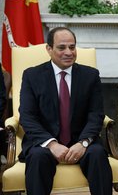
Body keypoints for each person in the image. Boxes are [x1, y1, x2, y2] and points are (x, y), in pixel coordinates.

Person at [18, 27, 112, 195]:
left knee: (97, 154)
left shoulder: (90, 75)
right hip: (45, 143)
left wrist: (83, 143)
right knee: (38, 157)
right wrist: (52, 144)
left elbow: (96, 114)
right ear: (49, 49)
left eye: (72, 47)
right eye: (62, 47)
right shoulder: (32, 76)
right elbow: (27, 116)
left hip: (81, 140)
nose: (69, 52)